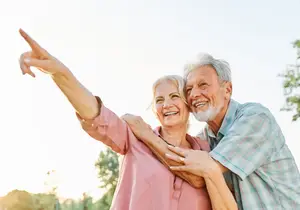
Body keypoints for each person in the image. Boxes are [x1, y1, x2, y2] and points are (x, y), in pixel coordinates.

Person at [18, 29, 237, 210]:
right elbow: (93, 111)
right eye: (159, 100)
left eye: (174, 97)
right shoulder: (133, 138)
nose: (167, 105)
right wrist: (59, 72)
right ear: (154, 109)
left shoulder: (206, 150)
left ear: (188, 103)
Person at [123, 53, 300, 209]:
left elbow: (203, 172)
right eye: (189, 89)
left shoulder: (255, 119)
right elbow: (196, 172)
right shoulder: (204, 140)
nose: (194, 94)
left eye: (203, 85)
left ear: (227, 90)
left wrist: (146, 135)